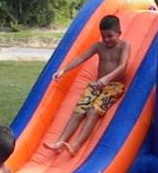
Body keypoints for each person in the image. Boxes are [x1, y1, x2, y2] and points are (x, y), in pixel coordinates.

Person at [44, 15, 130, 156]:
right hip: (97, 84)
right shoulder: (99, 46)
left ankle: (75, 145)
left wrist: (107, 78)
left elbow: (122, 66)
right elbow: (80, 58)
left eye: (110, 36)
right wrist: (63, 70)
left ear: (119, 33)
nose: (106, 40)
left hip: (114, 85)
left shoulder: (125, 45)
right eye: (103, 36)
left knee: (93, 111)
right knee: (79, 110)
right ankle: (59, 142)